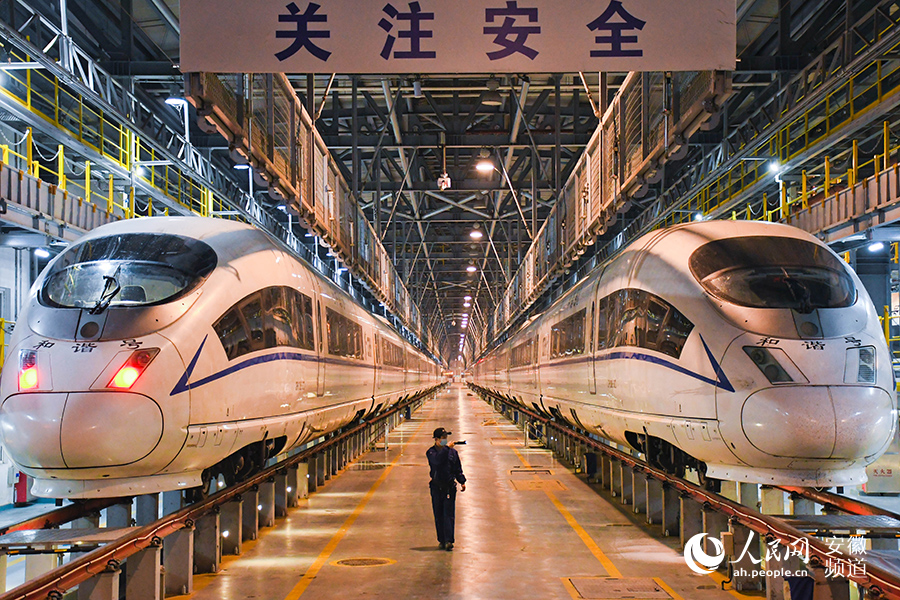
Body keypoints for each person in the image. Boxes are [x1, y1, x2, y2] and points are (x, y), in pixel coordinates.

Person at [426, 427, 466, 551]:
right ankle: (441, 540)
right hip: (436, 488)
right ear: (436, 440)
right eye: (443, 438)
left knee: (448, 514)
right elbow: (437, 461)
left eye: (446, 438)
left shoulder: (453, 453)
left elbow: (457, 468)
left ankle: (449, 540)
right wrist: (447, 448)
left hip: (449, 488)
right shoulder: (431, 452)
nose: (445, 441)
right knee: (438, 514)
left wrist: (462, 481)